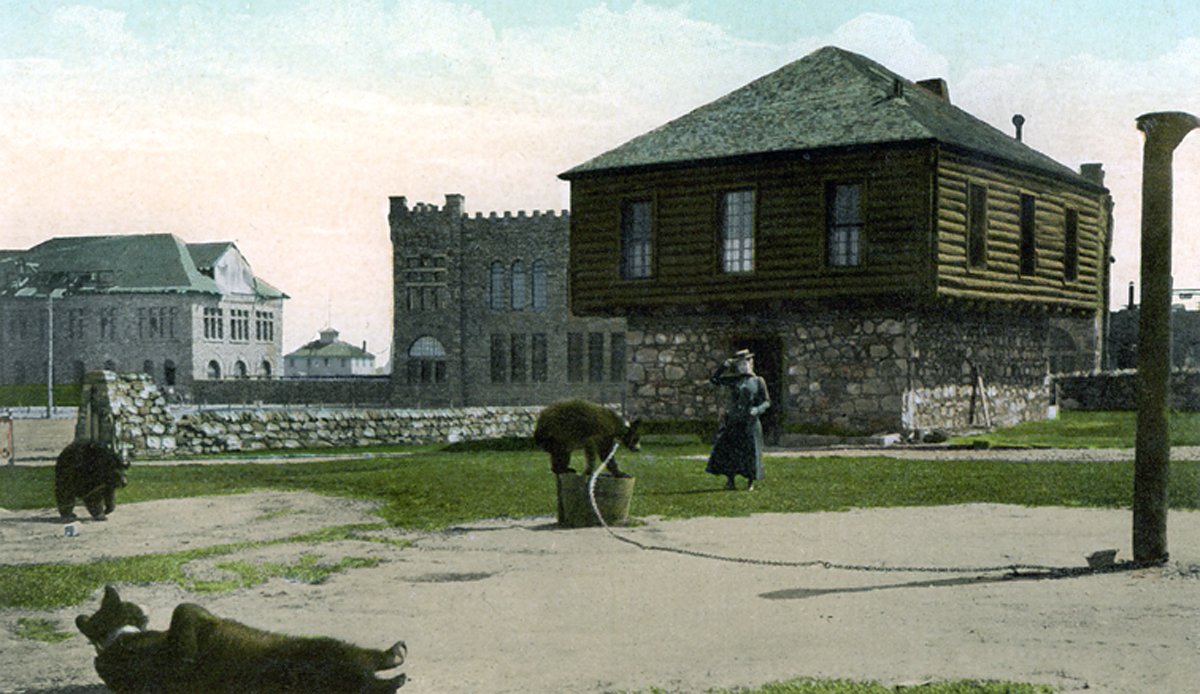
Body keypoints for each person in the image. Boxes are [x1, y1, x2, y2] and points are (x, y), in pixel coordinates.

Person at [706, 349, 770, 491]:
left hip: (750, 422)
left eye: (745, 363)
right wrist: (724, 366)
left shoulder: (758, 381)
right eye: (740, 364)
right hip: (735, 420)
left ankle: (750, 482)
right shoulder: (734, 380)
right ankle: (730, 481)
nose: (743, 367)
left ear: (751, 364)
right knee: (731, 449)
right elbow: (714, 380)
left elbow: (766, 402)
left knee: (751, 451)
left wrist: (757, 410)